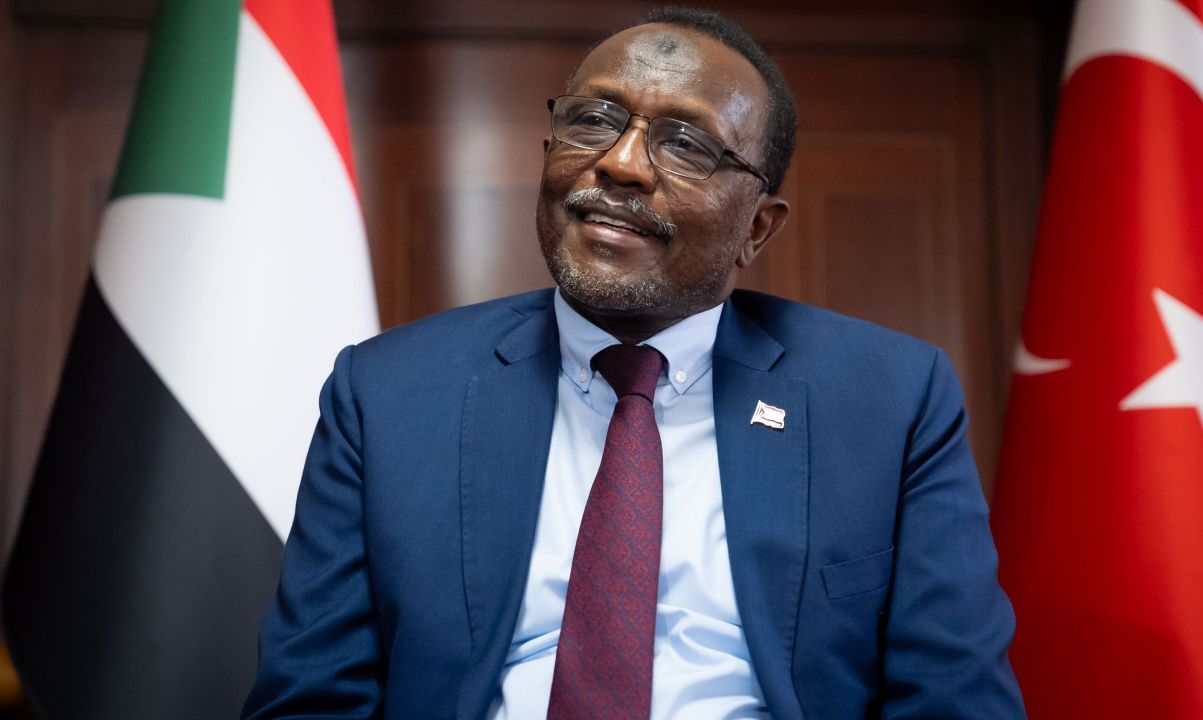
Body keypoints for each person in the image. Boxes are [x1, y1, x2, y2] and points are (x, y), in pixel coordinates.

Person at [243, 6, 1024, 719]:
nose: (620, 163)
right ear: (549, 155)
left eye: (686, 144)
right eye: (593, 120)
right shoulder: (388, 395)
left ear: (757, 229)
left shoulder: (889, 400)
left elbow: (955, 702)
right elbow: (310, 702)